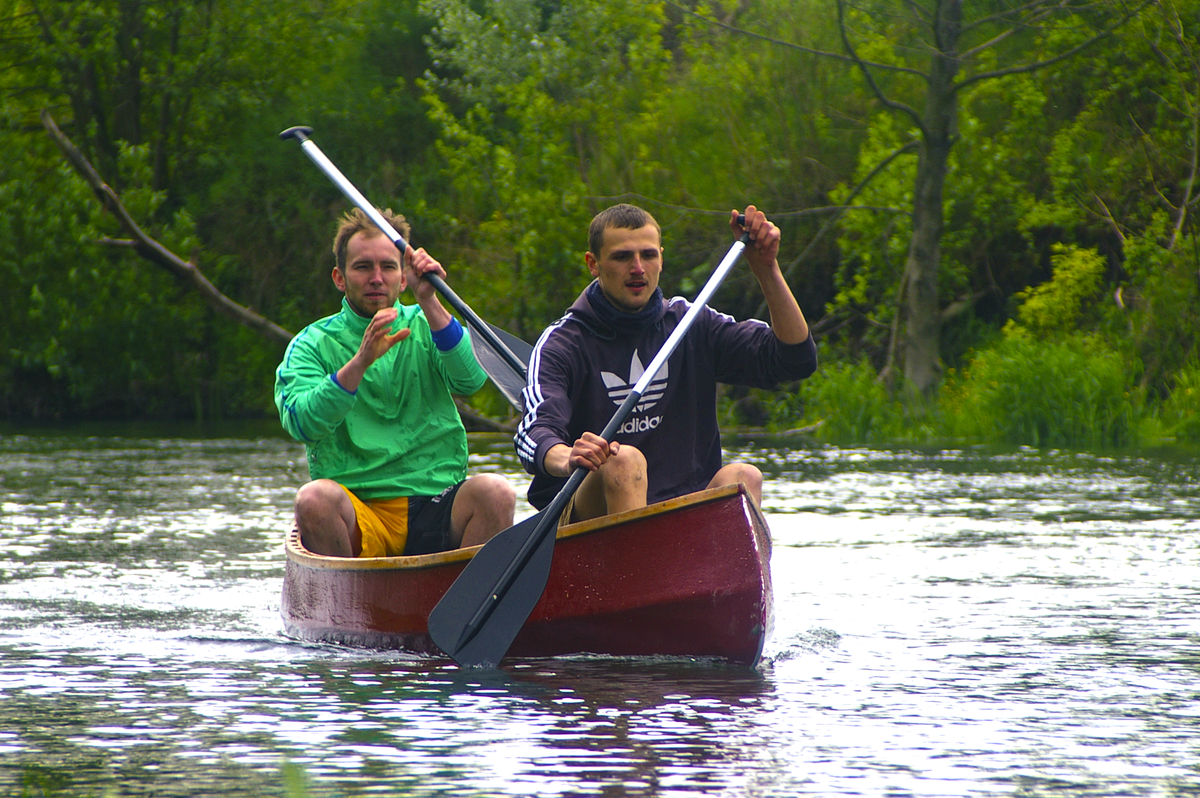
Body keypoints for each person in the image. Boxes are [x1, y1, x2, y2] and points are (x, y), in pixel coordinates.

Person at [515, 203, 816, 522]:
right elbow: (534, 432)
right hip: (587, 515)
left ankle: (736, 573)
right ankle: (635, 568)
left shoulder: (693, 323)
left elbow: (794, 360)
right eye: (621, 257)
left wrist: (766, 269)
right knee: (623, 461)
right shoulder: (562, 342)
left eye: (648, 255)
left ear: (661, 257)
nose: (637, 268)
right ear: (594, 264)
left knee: (744, 477)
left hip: (682, 508)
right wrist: (567, 456)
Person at [276, 207, 515, 557]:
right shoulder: (312, 343)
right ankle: (347, 606)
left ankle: (472, 602)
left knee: (496, 492)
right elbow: (302, 423)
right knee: (313, 499)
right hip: (358, 508)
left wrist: (430, 301)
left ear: (403, 278)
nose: (376, 278)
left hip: (436, 500)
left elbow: (471, 379)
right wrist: (359, 364)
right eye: (362, 267)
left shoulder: (428, 322)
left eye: (388, 267)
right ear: (339, 278)